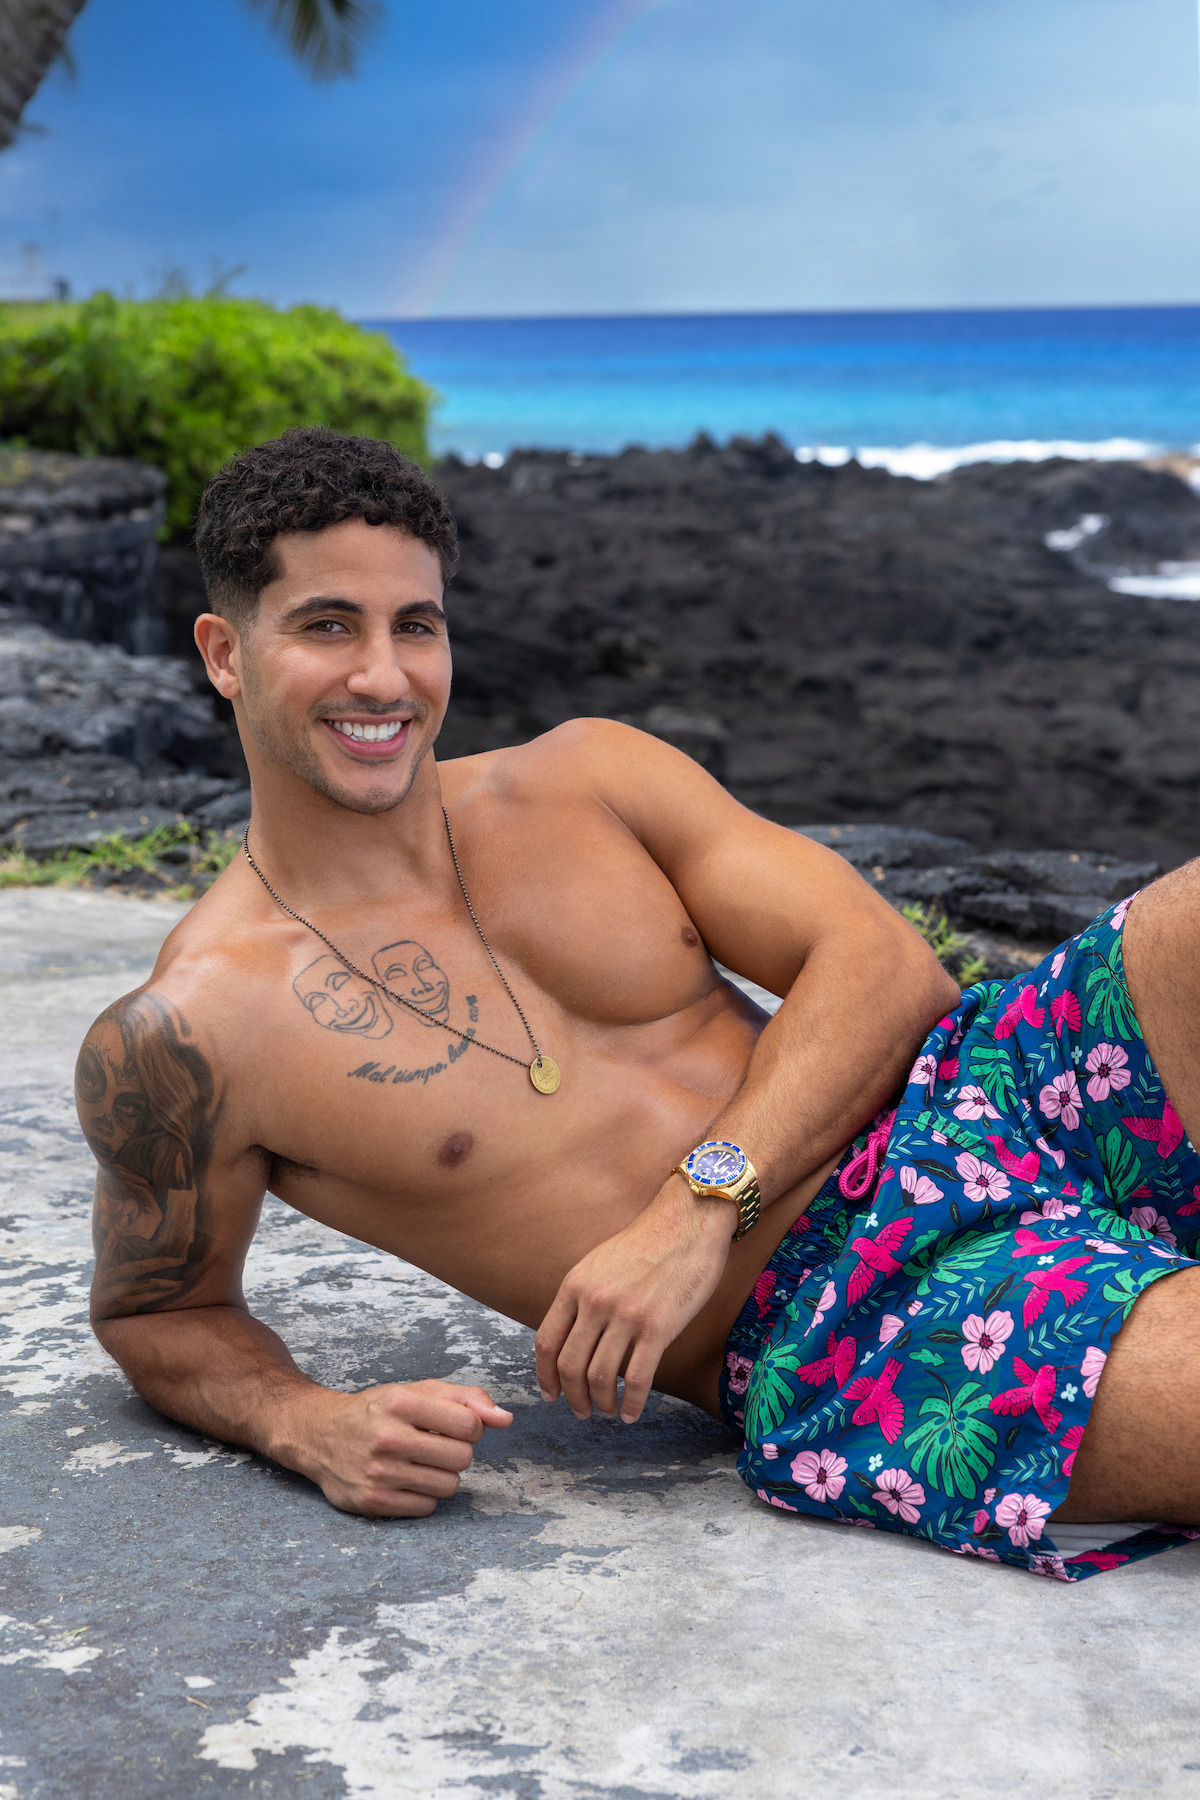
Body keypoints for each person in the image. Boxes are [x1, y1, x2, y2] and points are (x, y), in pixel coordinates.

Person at [76, 428, 1200, 1584]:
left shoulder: (584, 779)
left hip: (979, 1087)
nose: (385, 676)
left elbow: (884, 962)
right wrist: (304, 1424)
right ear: (224, 652)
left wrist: (690, 1211)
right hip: (856, 1315)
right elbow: (160, 1314)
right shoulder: (192, 1031)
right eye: (328, 625)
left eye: (416, 624)